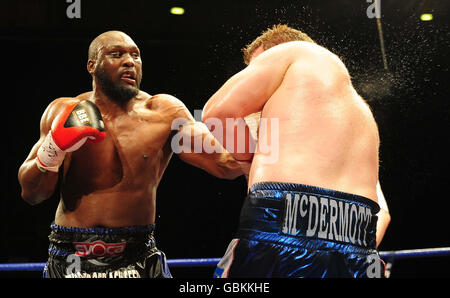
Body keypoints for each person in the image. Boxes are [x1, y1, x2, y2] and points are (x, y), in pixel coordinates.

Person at [17, 30, 243, 278]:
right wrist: (54, 147)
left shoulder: (165, 113)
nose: (129, 61)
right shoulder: (64, 110)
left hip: (138, 255)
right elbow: (32, 193)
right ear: (92, 66)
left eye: (135, 55)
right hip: (72, 257)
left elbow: (226, 163)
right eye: (116, 54)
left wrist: (267, 123)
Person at [202, 24, 391, 278]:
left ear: (274, 51)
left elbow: (216, 113)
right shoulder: (358, 112)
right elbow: (383, 213)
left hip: (285, 219)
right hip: (358, 243)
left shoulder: (297, 53)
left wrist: (250, 161)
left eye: (253, 69)